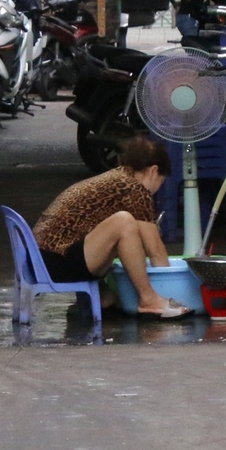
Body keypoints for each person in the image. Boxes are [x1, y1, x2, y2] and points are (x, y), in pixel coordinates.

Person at [32, 136, 191, 319]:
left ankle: (103, 295)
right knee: (123, 222)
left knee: (121, 235)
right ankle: (148, 300)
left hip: (41, 258)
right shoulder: (134, 189)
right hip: (54, 263)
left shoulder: (116, 178)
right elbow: (155, 252)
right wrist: (173, 292)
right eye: (161, 183)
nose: (158, 189)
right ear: (153, 171)